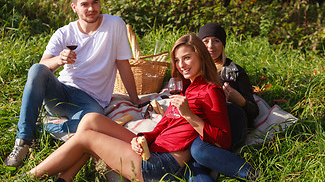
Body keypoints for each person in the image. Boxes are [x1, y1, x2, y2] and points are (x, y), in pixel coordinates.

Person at [19, 33, 235, 182]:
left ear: (200, 56)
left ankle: (27, 177)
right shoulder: (188, 88)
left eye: (187, 58)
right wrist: (143, 139)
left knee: (87, 138)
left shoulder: (211, 91)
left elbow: (223, 140)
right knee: (91, 120)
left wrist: (190, 116)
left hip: (162, 165)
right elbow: (164, 128)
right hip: (153, 148)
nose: (181, 65)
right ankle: (64, 179)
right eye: (178, 60)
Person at [4, 0, 143, 168]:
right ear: (74, 7)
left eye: (95, 2)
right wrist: (59, 59)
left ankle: (41, 127)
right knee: (36, 69)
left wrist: (135, 100)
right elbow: (43, 66)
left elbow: (123, 65)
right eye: (84, 4)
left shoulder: (114, 25)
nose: (91, 8)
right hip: (61, 92)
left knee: (93, 126)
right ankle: (23, 141)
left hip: (91, 101)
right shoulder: (64, 33)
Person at [188, 22, 260, 181]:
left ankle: (251, 173)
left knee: (198, 153)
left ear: (223, 44)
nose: (211, 46)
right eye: (205, 41)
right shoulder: (193, 70)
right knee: (192, 164)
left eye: (216, 41)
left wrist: (240, 101)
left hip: (230, 119)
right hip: (203, 123)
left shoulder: (235, 71)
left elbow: (254, 110)